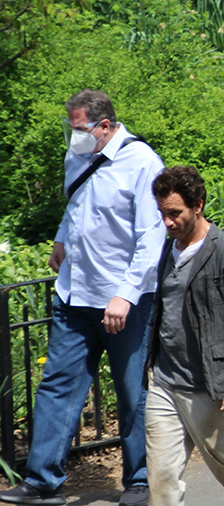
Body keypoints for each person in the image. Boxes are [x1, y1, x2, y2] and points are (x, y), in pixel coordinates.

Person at [0, 90, 165, 506]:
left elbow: (152, 237)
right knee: (57, 385)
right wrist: (60, 239)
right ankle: (42, 481)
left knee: (132, 392)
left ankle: (140, 479)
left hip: (124, 301)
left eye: (79, 128)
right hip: (75, 296)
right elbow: (76, 207)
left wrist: (125, 296)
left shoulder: (142, 163)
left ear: (104, 126)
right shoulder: (78, 157)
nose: (73, 136)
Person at [145, 166, 224, 506]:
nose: (168, 222)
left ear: (198, 205)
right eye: (162, 214)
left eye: (175, 214)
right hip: (165, 381)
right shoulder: (168, 250)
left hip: (209, 386)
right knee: (161, 480)